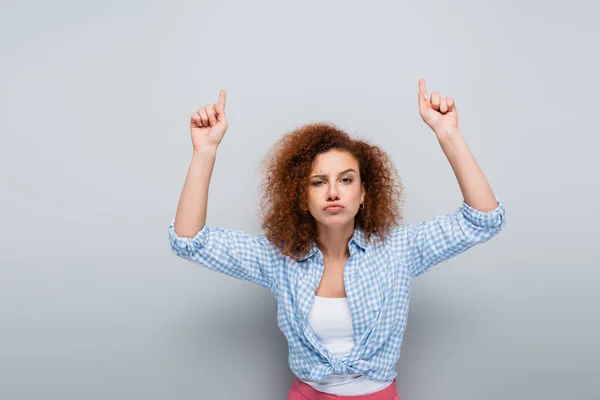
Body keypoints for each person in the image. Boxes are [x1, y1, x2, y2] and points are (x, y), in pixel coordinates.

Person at [168, 79, 506, 399]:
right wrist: (205, 151)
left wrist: (448, 134)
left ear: (363, 195)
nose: (333, 192)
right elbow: (190, 241)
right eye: (318, 182)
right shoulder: (278, 258)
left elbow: (483, 221)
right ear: (301, 197)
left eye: (346, 180)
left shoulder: (399, 250)